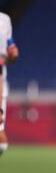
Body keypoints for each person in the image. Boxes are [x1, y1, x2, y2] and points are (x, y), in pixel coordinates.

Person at [0, 12, 19, 157]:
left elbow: (10, 47)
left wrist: (13, 52)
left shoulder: (4, 20)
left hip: (1, 84)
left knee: (1, 143)